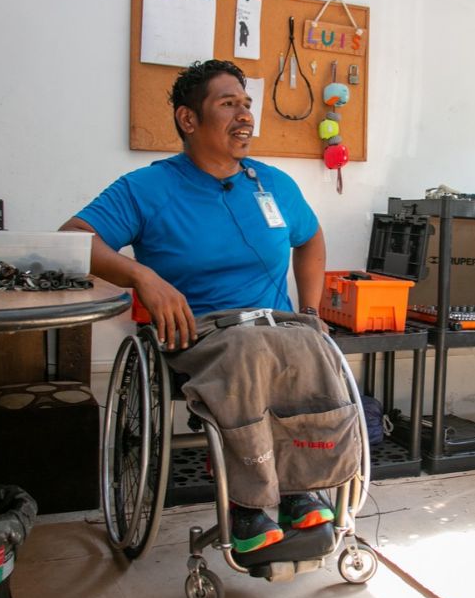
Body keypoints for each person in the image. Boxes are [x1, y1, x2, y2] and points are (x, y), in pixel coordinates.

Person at [61, 59, 331, 554]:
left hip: (277, 329)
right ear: (189, 119)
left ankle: (300, 489)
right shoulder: (148, 188)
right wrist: (142, 277)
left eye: (246, 104)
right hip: (200, 333)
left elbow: (310, 238)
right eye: (228, 104)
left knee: (311, 345)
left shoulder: (273, 184)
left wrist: (311, 311)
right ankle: (247, 504)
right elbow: (74, 240)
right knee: (249, 351)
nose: (245, 115)